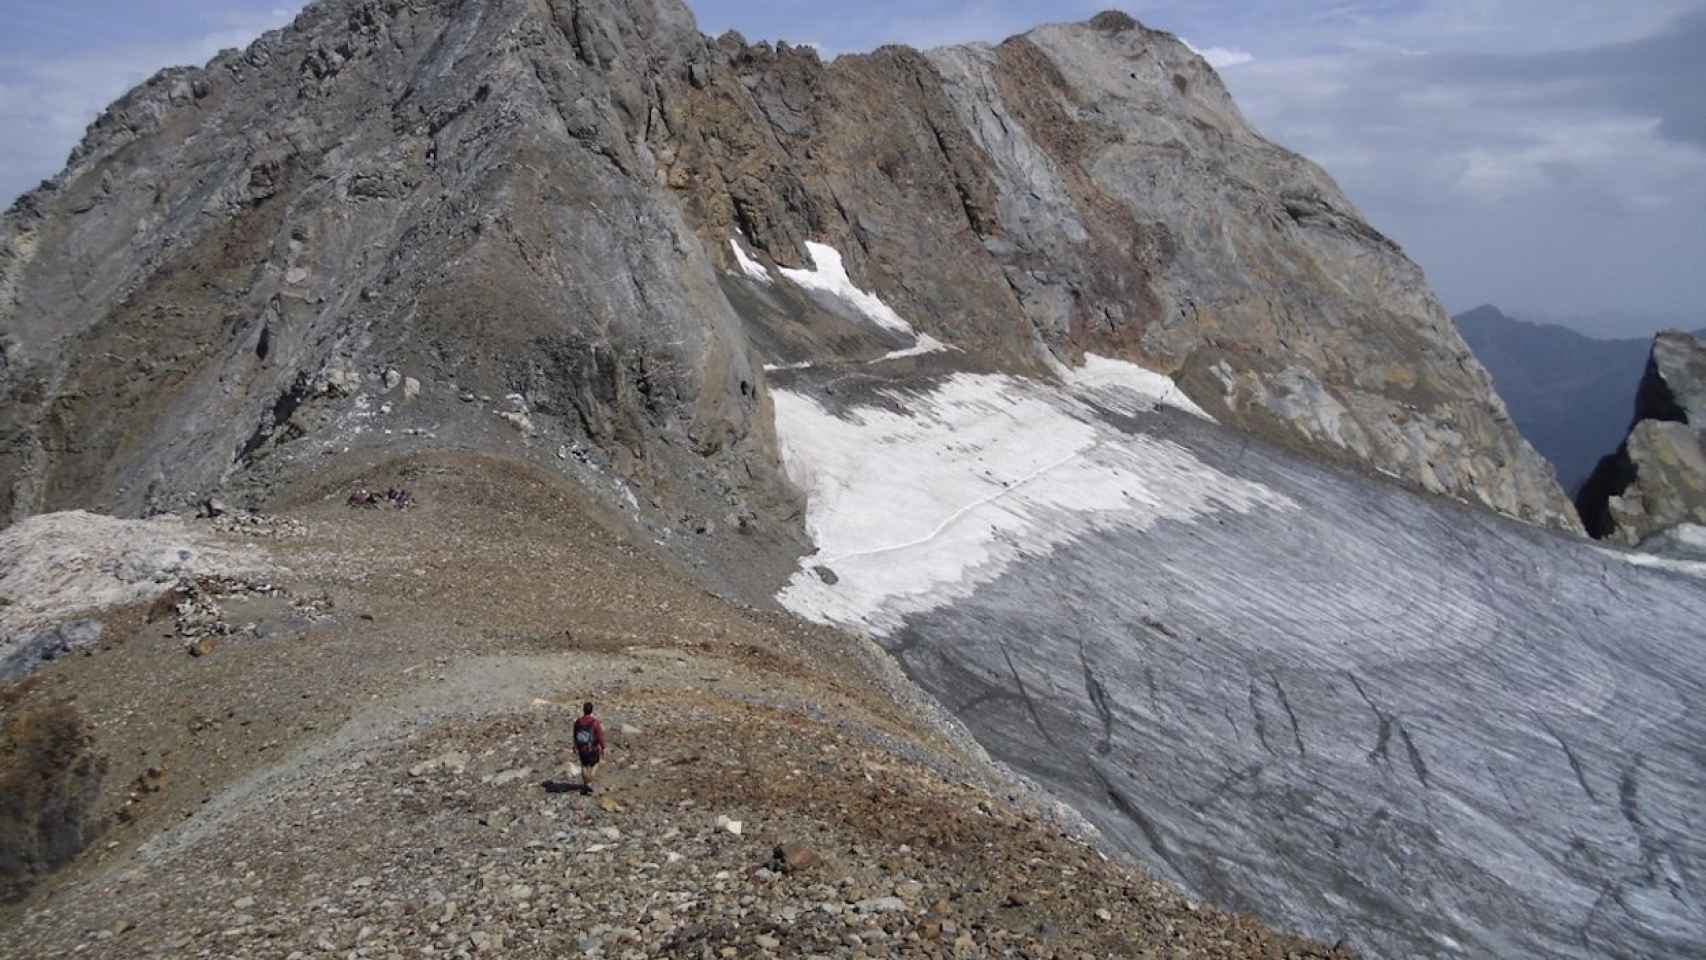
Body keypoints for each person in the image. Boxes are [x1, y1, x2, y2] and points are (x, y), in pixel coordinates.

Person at [572, 702, 606, 795]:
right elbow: (600, 736)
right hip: (592, 748)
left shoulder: (578, 721)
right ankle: (590, 782)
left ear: (583, 710)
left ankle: (585, 786)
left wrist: (575, 746)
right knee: (596, 763)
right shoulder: (595, 722)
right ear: (592, 710)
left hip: (581, 748)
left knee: (584, 765)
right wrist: (603, 747)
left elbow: (575, 735)